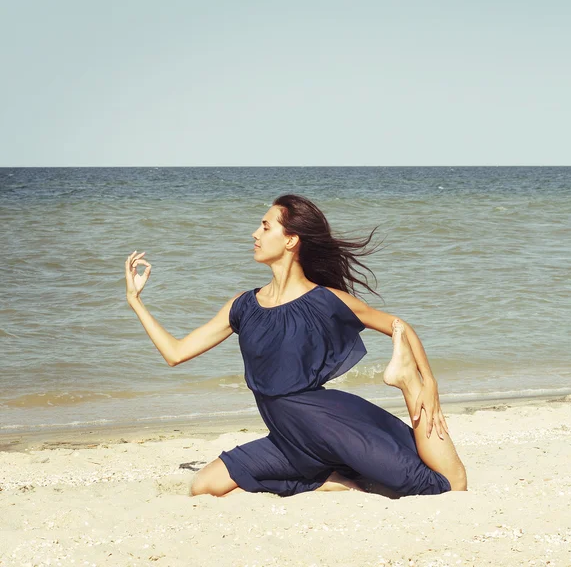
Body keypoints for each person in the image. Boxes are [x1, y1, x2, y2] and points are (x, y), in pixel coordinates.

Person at [125, 194, 467, 498]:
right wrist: (135, 301)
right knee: (204, 485)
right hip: (289, 438)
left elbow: (398, 325)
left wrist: (428, 381)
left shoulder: (324, 300)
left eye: (265, 227)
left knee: (444, 486)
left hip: (330, 426)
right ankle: (327, 479)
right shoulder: (243, 306)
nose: (255, 234)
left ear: (291, 240)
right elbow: (176, 353)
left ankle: (407, 383)